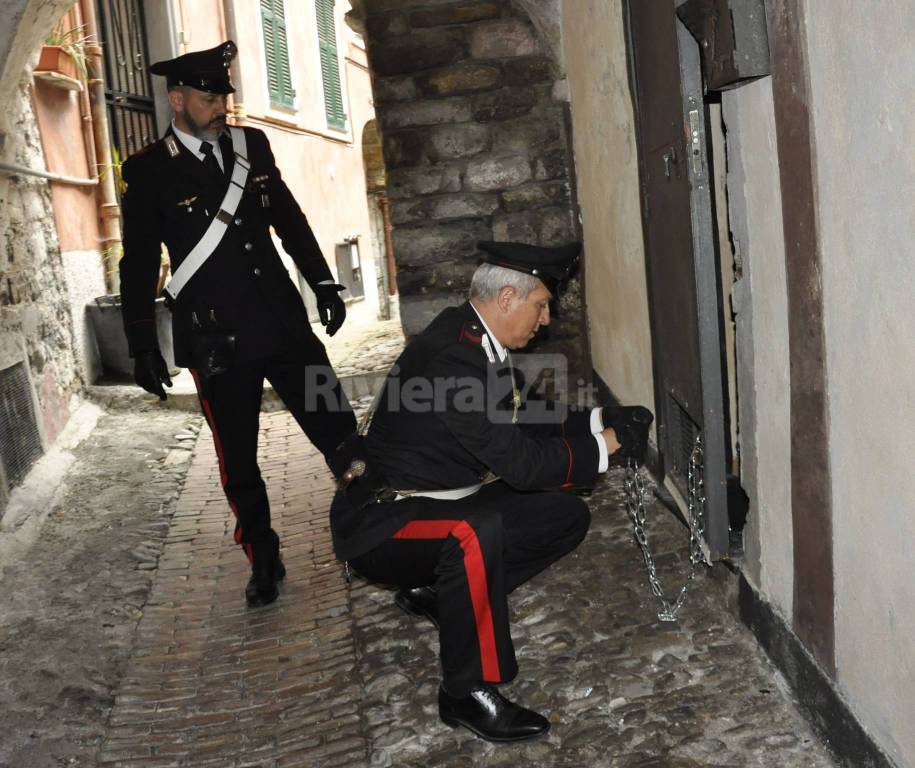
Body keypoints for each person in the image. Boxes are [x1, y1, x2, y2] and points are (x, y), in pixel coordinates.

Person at [329, 241, 652, 742]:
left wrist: (602, 420)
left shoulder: (475, 340)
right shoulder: (453, 359)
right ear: (507, 298)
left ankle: (441, 595)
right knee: (472, 534)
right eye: (541, 304)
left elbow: (524, 413)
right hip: (382, 522)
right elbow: (520, 464)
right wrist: (608, 446)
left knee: (563, 516)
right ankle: (465, 693)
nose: (545, 319)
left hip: (439, 499)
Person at [119, 41, 356, 609]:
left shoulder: (253, 146)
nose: (220, 106)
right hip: (215, 338)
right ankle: (263, 555)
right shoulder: (147, 171)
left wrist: (322, 281)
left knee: (340, 430)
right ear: (177, 100)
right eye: (207, 97)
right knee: (239, 459)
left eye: (223, 95)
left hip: (284, 326)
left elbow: (289, 218)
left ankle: (372, 529)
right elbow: (138, 262)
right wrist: (141, 344)